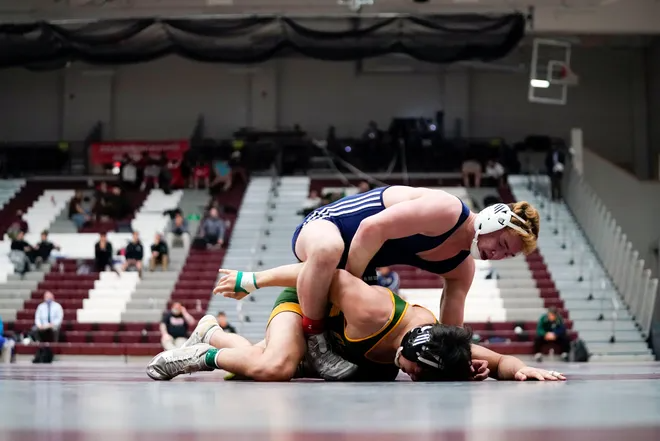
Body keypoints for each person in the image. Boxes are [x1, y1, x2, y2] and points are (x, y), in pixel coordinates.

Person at [288, 184, 540, 380]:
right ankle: (316, 339)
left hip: (358, 262)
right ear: (493, 220)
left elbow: (449, 335)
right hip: (328, 226)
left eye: (507, 254)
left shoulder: (462, 269)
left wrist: (459, 364)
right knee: (328, 248)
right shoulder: (448, 210)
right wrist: (351, 293)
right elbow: (369, 228)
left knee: (371, 367)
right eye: (502, 244)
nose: (497, 254)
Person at [146, 265, 564, 383]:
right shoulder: (374, 311)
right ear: (415, 353)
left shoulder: (436, 344)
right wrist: (253, 280)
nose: (415, 379)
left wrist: (518, 369)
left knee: (261, 356)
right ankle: (204, 354)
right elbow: (321, 272)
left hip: (335, 346)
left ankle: (211, 331)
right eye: (418, 372)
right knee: (275, 367)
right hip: (310, 305)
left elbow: (496, 358)